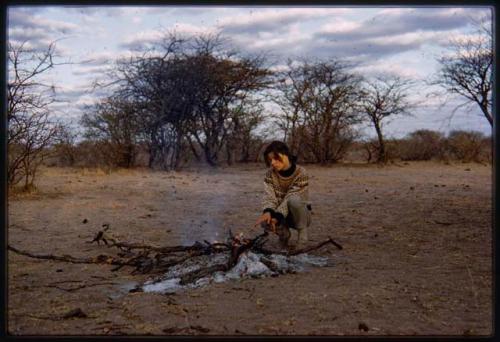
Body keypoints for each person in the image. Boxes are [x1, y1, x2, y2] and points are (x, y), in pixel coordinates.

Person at [254, 141, 312, 249]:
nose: (272, 163)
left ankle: (302, 238)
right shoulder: (270, 174)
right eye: (270, 160)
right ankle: (284, 236)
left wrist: (277, 216)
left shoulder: (301, 173)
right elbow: (269, 196)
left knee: (294, 200)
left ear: (286, 155)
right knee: (265, 219)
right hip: (281, 216)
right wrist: (268, 212)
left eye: (276, 158)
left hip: (300, 216)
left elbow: (290, 196)